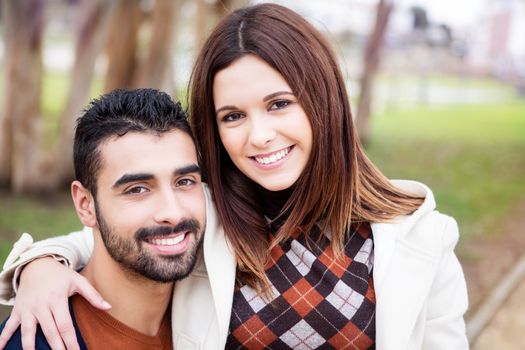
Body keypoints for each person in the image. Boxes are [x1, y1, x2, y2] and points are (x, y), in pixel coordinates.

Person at [0, 3, 468, 350]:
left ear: (322, 100)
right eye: (232, 116)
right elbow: (114, 232)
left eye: (279, 104)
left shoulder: (420, 235)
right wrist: (41, 266)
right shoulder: (210, 211)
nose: (260, 136)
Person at [0, 88, 208, 349]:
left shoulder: (224, 311)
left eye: (185, 181)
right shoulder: (30, 341)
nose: (173, 212)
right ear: (86, 205)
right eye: (137, 189)